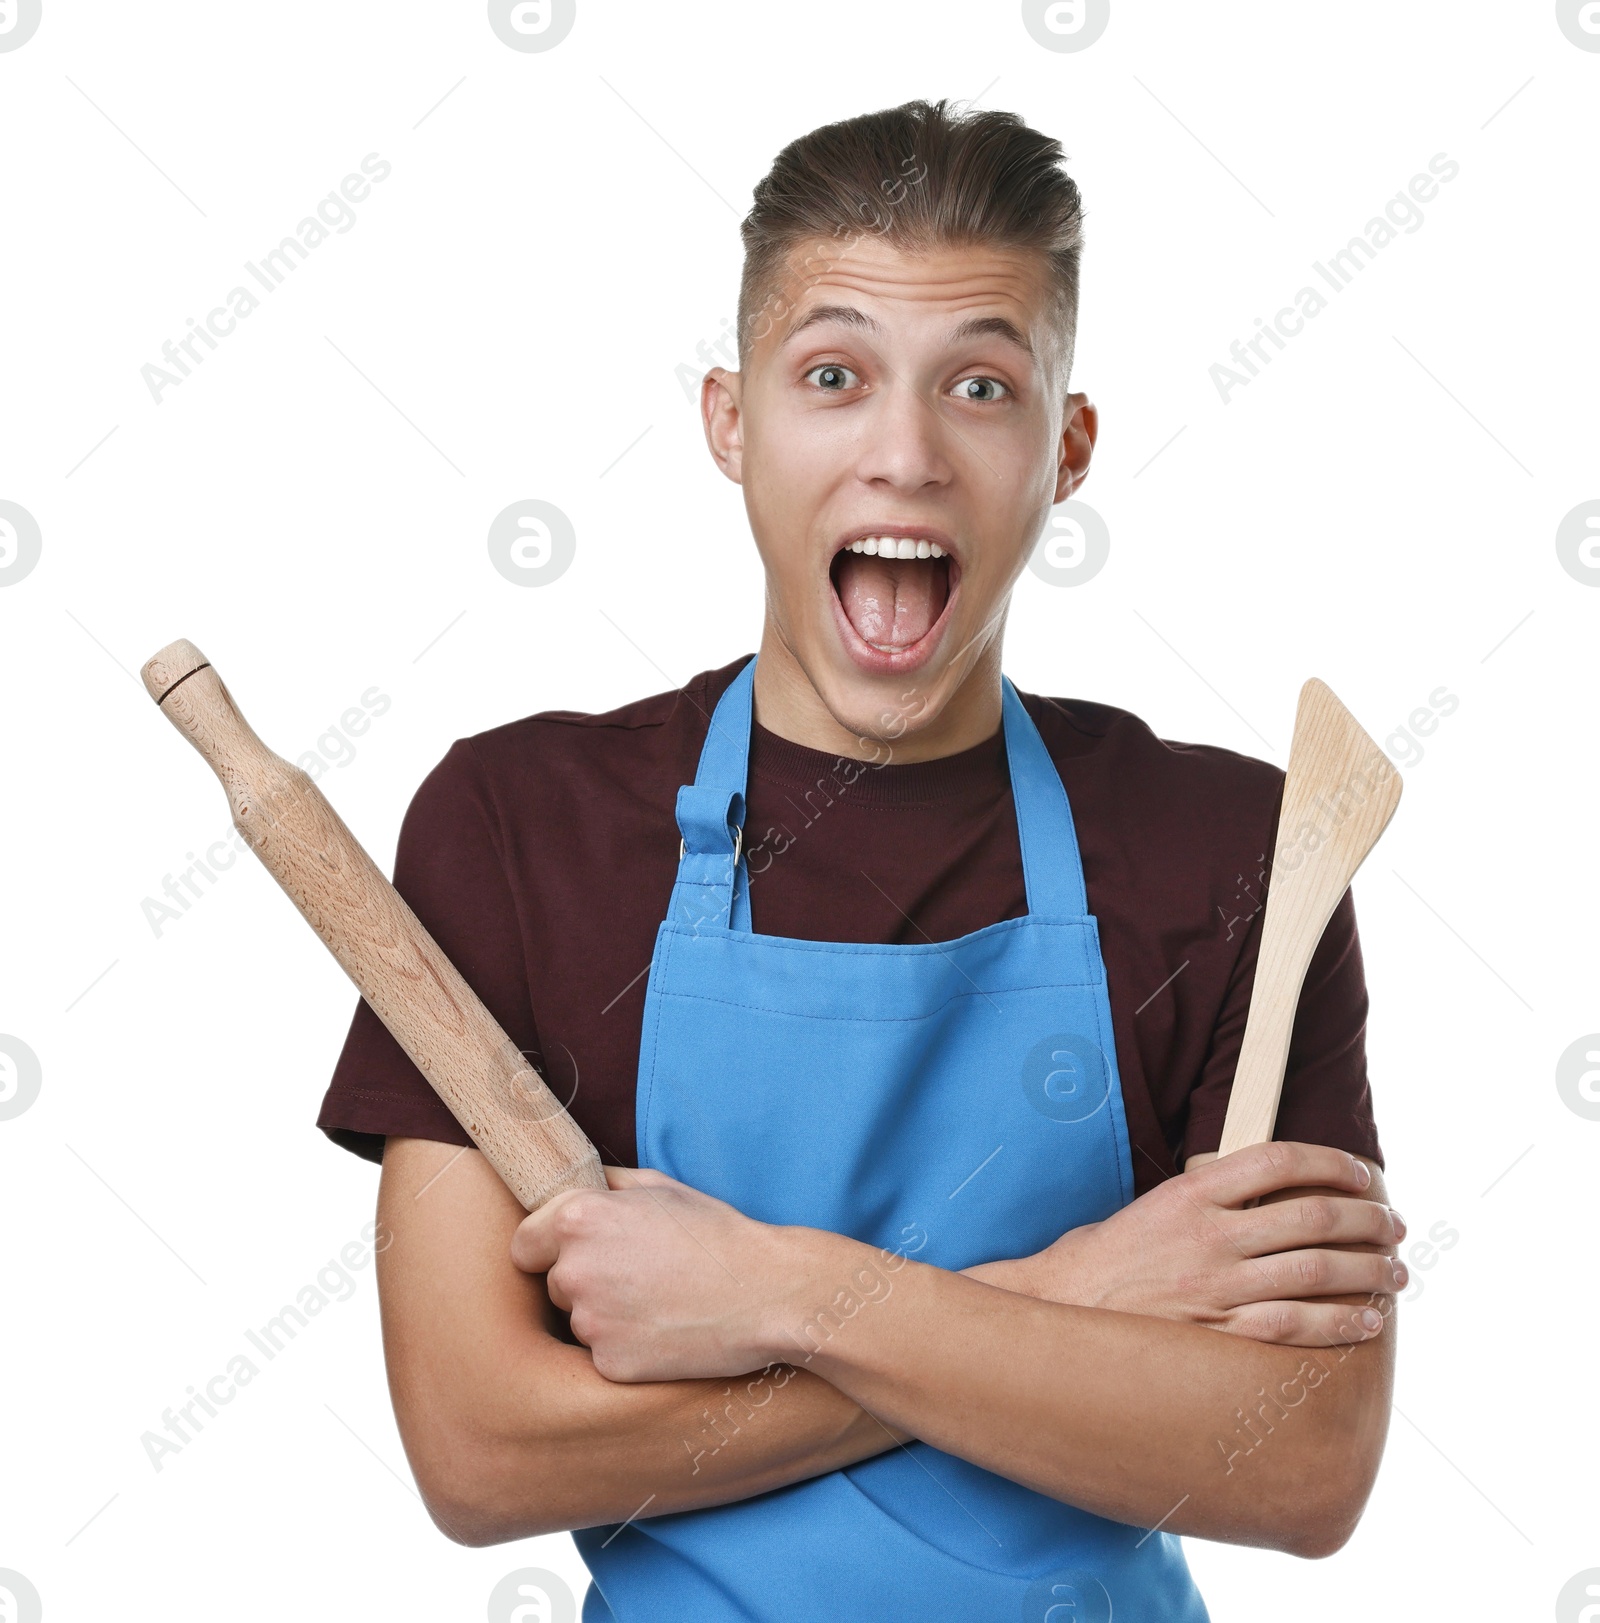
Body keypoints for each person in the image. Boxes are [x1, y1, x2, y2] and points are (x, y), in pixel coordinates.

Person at [318, 98, 1402, 1621]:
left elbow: (1300, 1465)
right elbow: (483, 1453)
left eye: (979, 384)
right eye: (834, 376)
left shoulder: (1238, 857)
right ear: (731, 420)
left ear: (1066, 447)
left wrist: (764, 1295)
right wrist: (1069, 1297)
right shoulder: (519, 829)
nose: (904, 454)